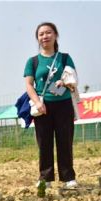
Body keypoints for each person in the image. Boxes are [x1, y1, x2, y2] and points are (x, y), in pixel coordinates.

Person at [24, 22, 78, 189]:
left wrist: (65, 81)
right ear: (37, 38)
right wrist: (38, 102)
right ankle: (45, 178)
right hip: (43, 107)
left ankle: (68, 177)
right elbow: (29, 85)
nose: (45, 36)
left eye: (48, 33)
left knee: (65, 141)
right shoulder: (32, 61)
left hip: (63, 104)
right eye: (41, 34)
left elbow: (72, 78)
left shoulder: (64, 58)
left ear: (55, 35)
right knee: (44, 143)